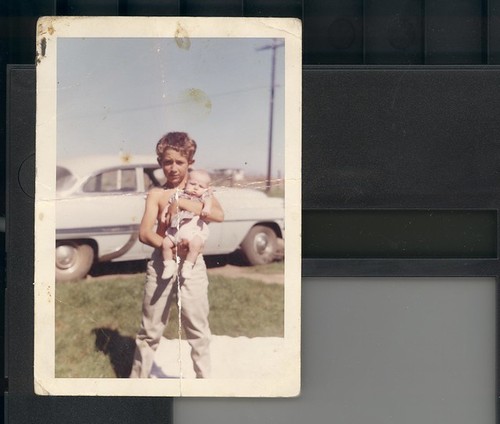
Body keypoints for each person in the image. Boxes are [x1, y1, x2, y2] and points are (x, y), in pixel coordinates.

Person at [129, 132, 224, 379]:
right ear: (160, 162)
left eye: (179, 162)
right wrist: (168, 246)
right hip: (162, 263)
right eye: (167, 162)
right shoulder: (156, 194)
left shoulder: (199, 189)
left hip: (192, 265)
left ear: (190, 162)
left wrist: (181, 204)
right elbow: (144, 232)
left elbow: (218, 215)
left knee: (197, 328)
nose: (173, 168)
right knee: (149, 330)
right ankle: (135, 386)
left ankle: (205, 385)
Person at [160, 169, 213, 280]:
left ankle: (188, 266)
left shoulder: (202, 197)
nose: (196, 188)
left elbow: (208, 200)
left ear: (206, 189)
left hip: (193, 228)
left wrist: (207, 208)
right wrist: (164, 213)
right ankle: (168, 265)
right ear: (186, 183)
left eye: (201, 186)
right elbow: (169, 205)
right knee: (165, 243)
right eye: (192, 184)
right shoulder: (179, 195)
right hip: (177, 230)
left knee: (196, 244)